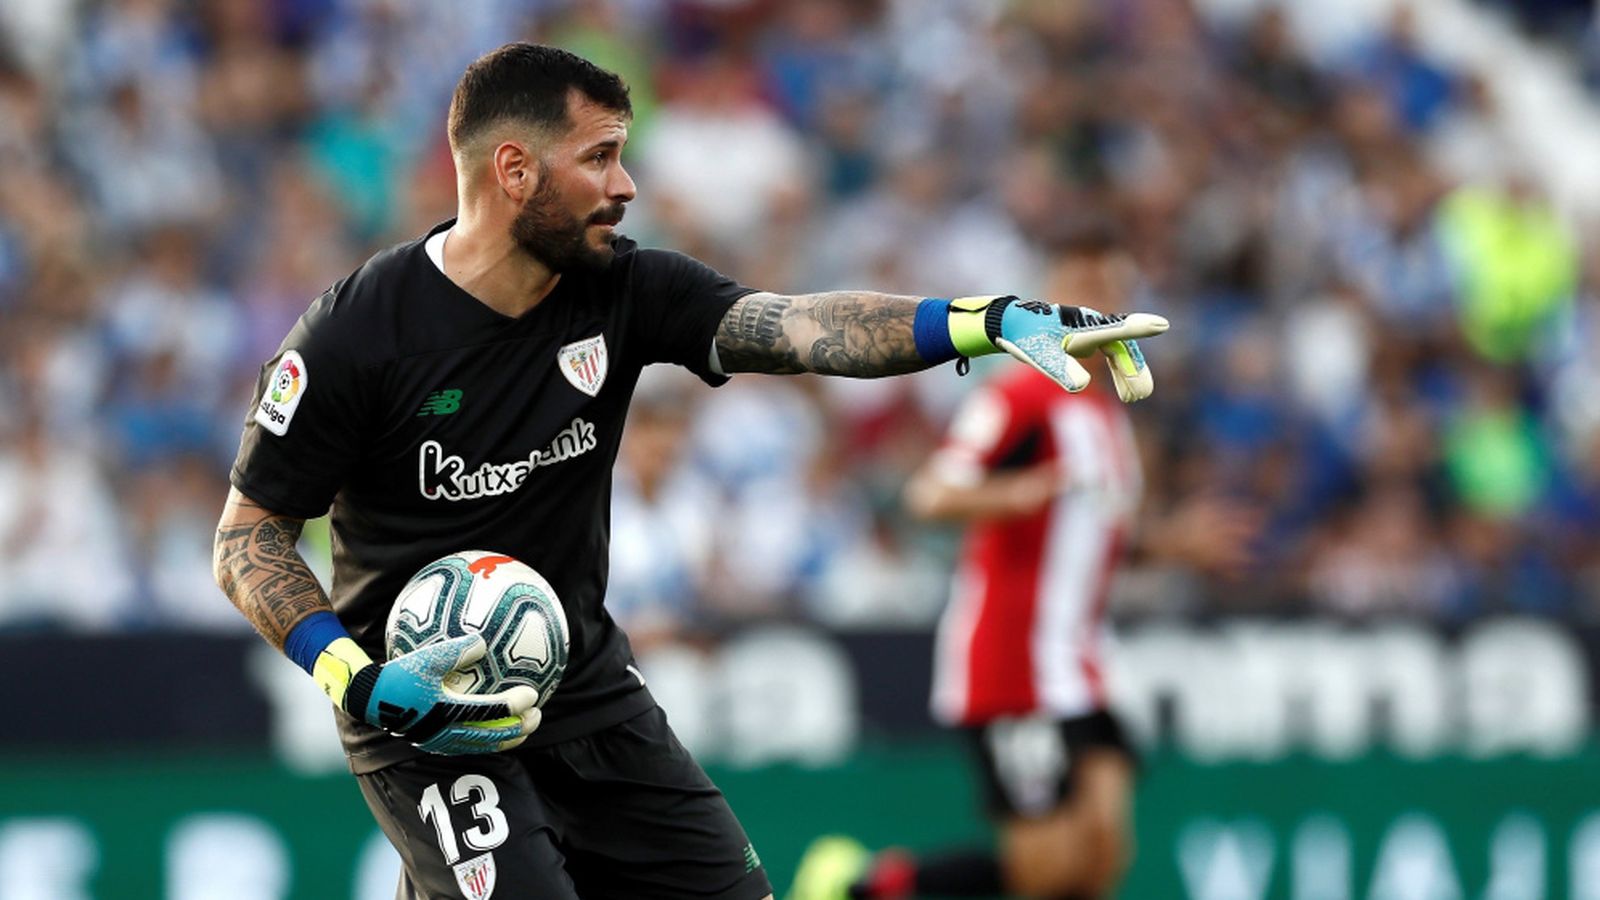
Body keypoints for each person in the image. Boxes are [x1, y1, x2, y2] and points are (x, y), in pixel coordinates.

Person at [212, 44, 1168, 900]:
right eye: (599, 158)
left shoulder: (624, 289)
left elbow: (799, 329)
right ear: (513, 170)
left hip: (582, 686)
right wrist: (355, 675)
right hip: (424, 710)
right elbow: (248, 536)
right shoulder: (356, 335)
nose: (625, 184)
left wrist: (984, 321)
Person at [788, 225, 1251, 900]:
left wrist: (1168, 542)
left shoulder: (1110, 415)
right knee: (1046, 871)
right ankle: (864, 885)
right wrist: (1016, 492)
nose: (1095, 302)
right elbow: (930, 493)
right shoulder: (1017, 398)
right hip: (1013, 660)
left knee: (1102, 854)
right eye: (1079, 288)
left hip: (1083, 659)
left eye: (1107, 287)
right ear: (1050, 301)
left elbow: (1088, 531)